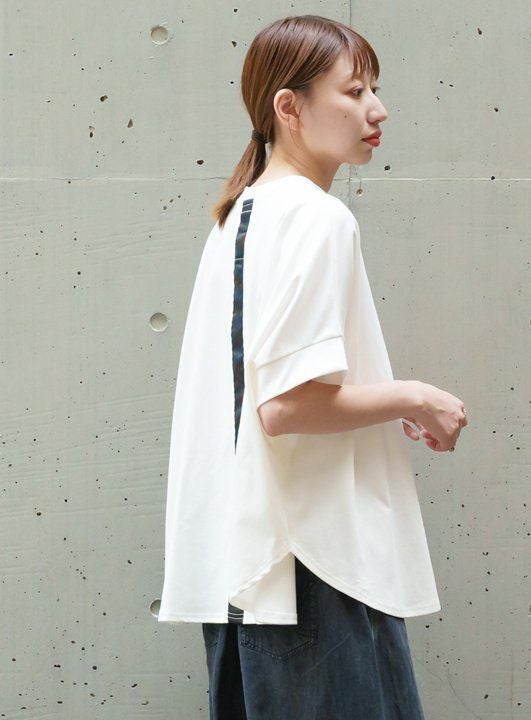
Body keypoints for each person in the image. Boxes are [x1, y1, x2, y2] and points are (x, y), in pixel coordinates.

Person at [157, 13, 468, 720]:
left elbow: (260, 402)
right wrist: (415, 396)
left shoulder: (238, 217)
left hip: (248, 568)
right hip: (312, 568)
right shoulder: (318, 218)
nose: (377, 110)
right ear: (288, 108)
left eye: (374, 91)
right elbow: (288, 405)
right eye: (354, 92)